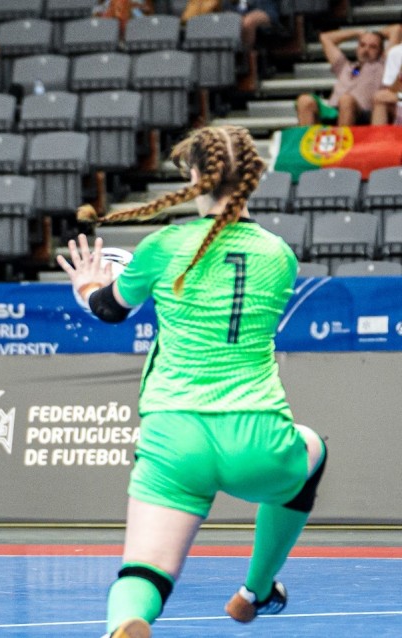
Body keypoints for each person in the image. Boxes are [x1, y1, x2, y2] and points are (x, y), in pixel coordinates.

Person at [56, 125, 328, 638]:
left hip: (175, 434)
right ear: (252, 178)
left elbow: (109, 310)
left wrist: (89, 282)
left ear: (196, 176)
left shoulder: (164, 244)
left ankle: (128, 622)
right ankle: (257, 589)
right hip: (258, 436)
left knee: (143, 573)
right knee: (313, 450)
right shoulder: (280, 256)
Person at [295, 28, 389, 126]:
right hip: (333, 110)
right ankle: (306, 140)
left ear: (381, 52)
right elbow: (325, 38)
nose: (366, 50)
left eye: (372, 47)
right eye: (362, 45)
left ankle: (342, 139)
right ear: (357, 48)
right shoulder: (345, 66)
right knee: (304, 100)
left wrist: (375, 34)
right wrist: (357, 32)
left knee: (346, 100)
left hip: (360, 112)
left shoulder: (383, 66)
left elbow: (396, 30)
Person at [370, 26, 402, 125]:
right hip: (400, 99)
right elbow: (391, 90)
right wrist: (400, 75)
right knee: (380, 97)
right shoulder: (395, 53)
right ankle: (379, 139)